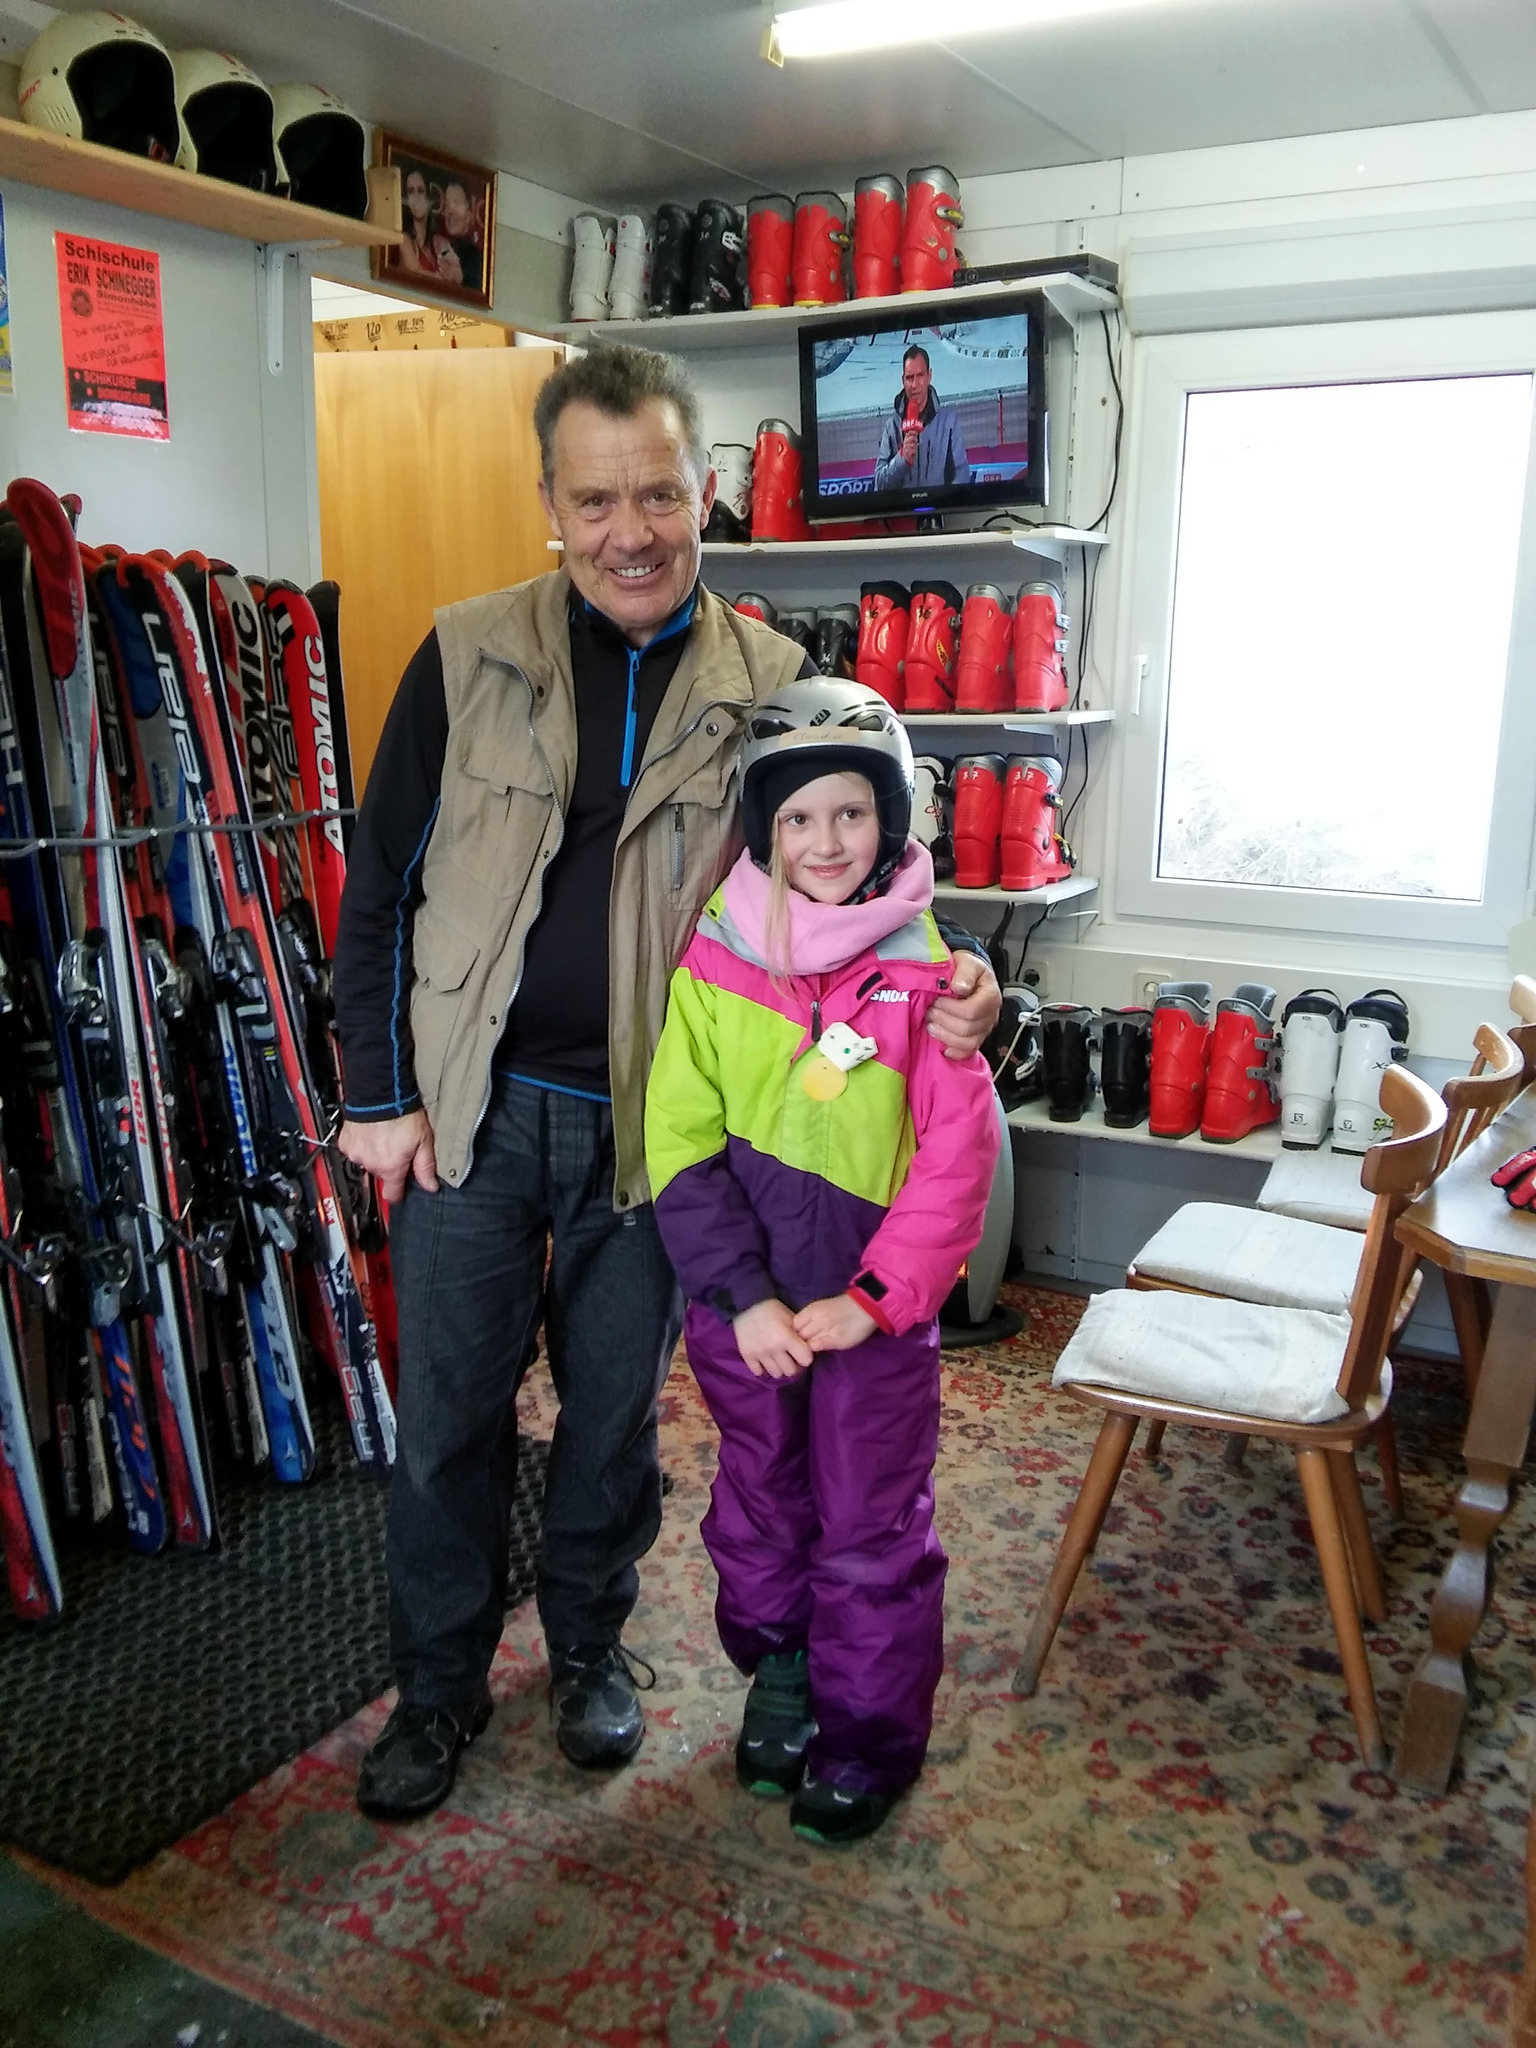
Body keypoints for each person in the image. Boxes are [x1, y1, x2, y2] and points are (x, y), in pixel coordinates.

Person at [331, 343, 1002, 1822]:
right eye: (594, 500)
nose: (628, 531)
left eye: (655, 494)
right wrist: (376, 1094)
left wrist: (966, 988)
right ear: (549, 505)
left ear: (703, 491)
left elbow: (859, 880)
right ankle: (436, 1688)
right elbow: (377, 884)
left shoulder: (773, 683)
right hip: (472, 1113)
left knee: (613, 1417)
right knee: (446, 1420)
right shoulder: (465, 654)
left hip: (669, 1131)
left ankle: (586, 1648)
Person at [644, 679, 1000, 1845]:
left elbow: (955, 1158)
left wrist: (874, 1302)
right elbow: (679, 1140)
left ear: (889, 821)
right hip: (747, 1317)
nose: (826, 841)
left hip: (868, 1322)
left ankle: (866, 1737)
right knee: (761, 1502)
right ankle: (783, 1671)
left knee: (870, 1522)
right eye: (797, 818)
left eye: (850, 812)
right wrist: (742, 1297)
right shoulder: (714, 960)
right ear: (765, 830)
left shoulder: (933, 978)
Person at [873, 345, 971, 492]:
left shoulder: (949, 421)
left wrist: (945, 502)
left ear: (929, 376)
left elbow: (961, 473)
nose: (914, 385)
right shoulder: (891, 427)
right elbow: (879, 484)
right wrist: (901, 459)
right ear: (903, 380)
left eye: (920, 376)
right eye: (909, 378)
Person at [438, 177, 483, 292]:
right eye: (447, 205)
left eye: (456, 204)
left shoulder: (475, 257)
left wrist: (460, 279)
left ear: (469, 215)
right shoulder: (437, 246)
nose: (450, 211)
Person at [396, 165, 441, 276]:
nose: (416, 198)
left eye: (420, 191)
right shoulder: (404, 239)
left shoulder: (436, 242)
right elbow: (416, 275)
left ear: (428, 196)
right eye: (411, 191)